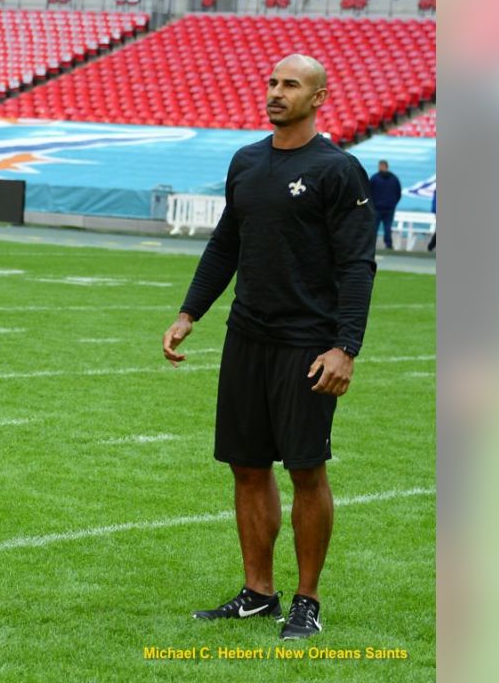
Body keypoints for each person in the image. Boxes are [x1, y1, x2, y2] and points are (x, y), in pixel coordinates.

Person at [161, 54, 376, 640]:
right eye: (273, 82)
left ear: (319, 97)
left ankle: (307, 599)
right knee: (247, 466)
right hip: (247, 337)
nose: (277, 92)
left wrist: (345, 347)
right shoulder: (247, 160)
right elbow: (226, 243)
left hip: (307, 343)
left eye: (292, 85)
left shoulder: (339, 170)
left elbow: (357, 265)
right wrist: (190, 312)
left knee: (306, 469)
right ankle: (258, 593)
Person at [369, 159, 402, 250]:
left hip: (377, 207)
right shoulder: (394, 178)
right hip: (389, 207)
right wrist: (393, 203)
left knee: (375, 227)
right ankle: (388, 245)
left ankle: (371, 246)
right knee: (387, 227)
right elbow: (398, 193)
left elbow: (368, 191)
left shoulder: (375, 178)